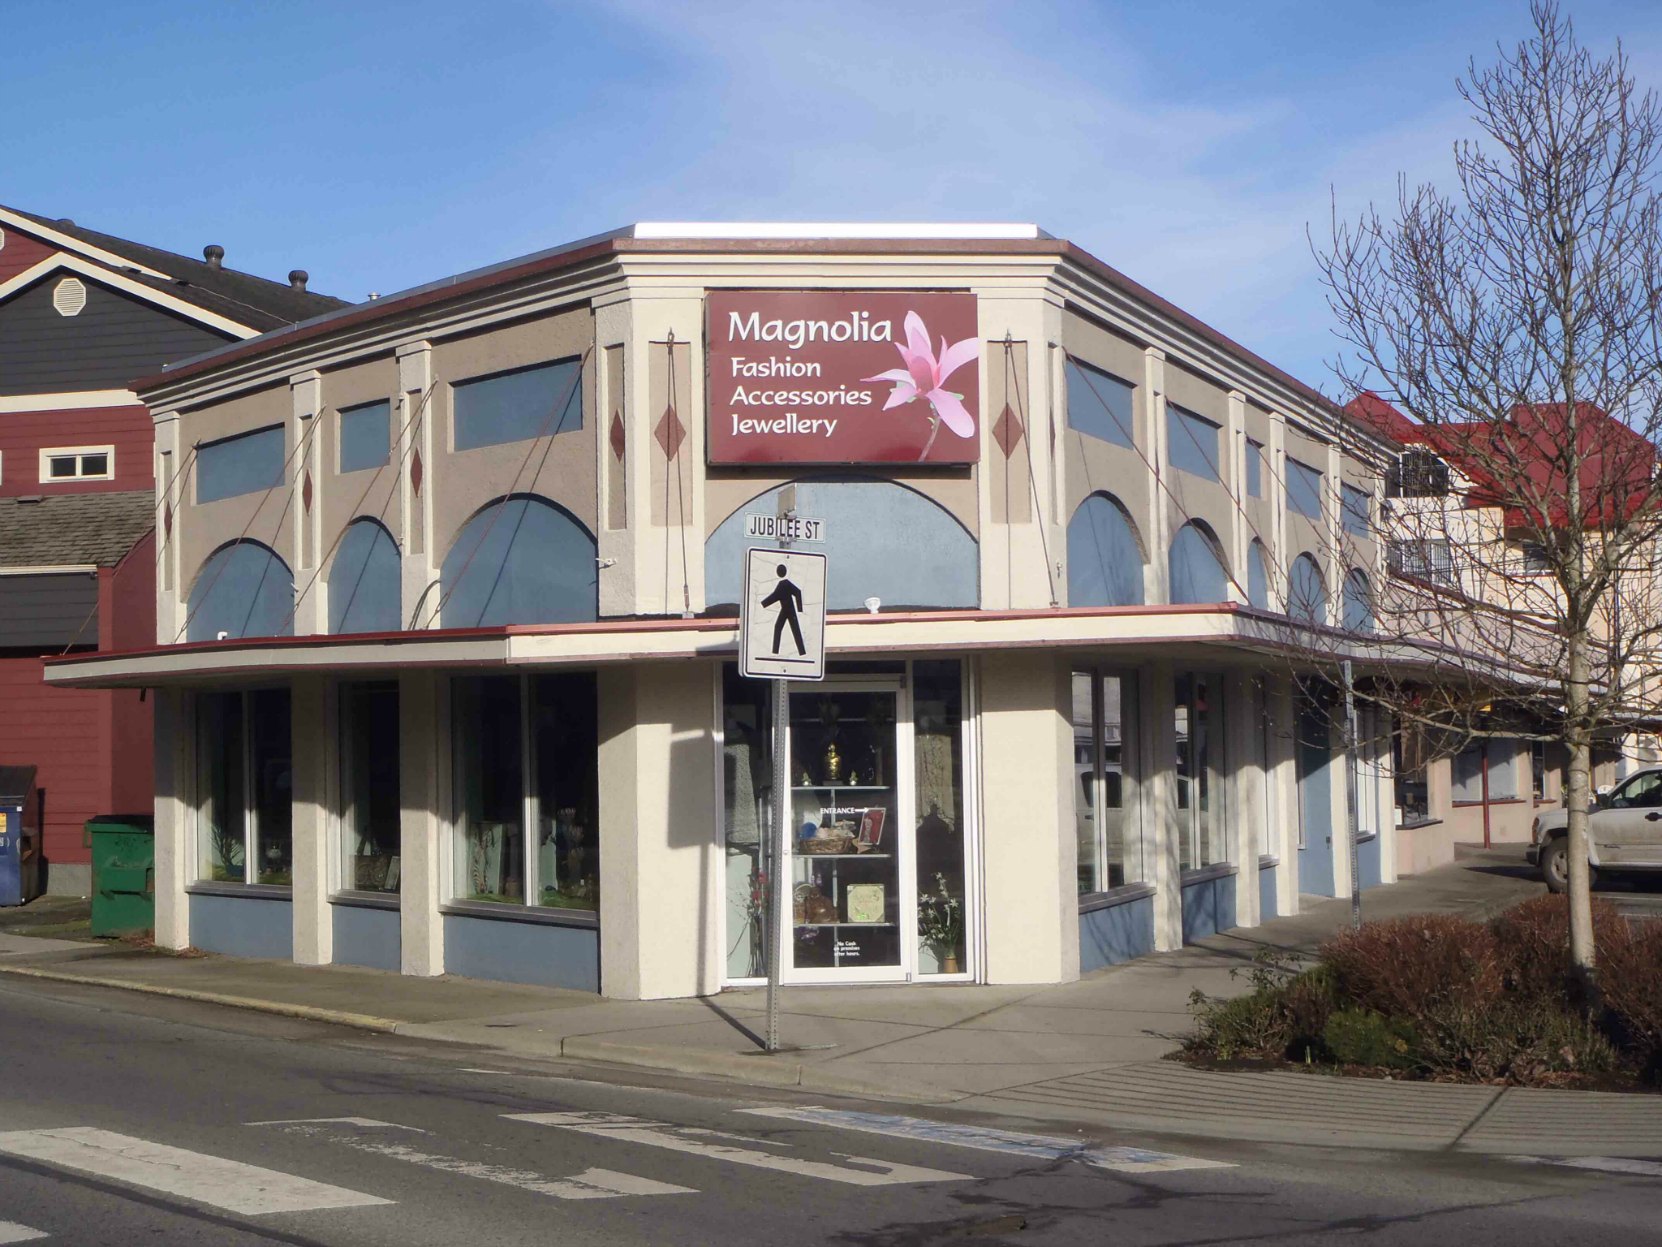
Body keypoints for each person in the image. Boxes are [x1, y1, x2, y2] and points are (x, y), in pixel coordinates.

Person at [761, 564, 805, 655]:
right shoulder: (784, 583)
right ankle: (775, 652)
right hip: (786, 609)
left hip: (789, 610)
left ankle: (801, 652)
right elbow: (775, 596)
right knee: (779, 627)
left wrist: (799, 609)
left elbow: (796, 592)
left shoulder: (784, 584)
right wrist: (763, 604)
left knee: (794, 629)